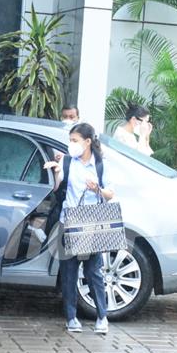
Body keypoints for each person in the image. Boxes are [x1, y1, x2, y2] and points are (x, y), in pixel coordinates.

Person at [43, 123, 114, 335]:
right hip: (69, 221)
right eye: (70, 140)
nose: (71, 144)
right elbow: (57, 189)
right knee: (69, 272)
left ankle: (102, 316)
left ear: (88, 142)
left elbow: (110, 193)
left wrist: (98, 189)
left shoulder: (101, 165)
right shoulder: (67, 162)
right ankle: (71, 317)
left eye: (75, 140)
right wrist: (56, 172)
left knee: (94, 271)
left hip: (92, 223)